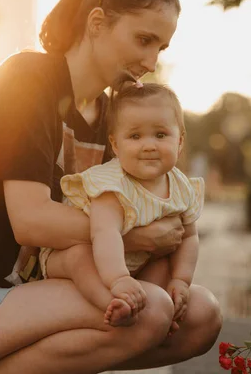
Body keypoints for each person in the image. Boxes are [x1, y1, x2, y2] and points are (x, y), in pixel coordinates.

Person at [0, 0, 222, 373]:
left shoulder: (111, 120)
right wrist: (134, 235)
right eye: (143, 40)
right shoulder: (27, 80)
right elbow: (30, 222)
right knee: (150, 310)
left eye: (161, 47)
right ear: (97, 23)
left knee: (200, 316)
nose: (151, 63)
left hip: (36, 295)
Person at [40, 81, 204, 328]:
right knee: (79, 256)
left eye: (160, 135)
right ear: (115, 145)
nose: (149, 145)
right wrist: (118, 279)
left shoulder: (182, 188)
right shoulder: (112, 185)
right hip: (81, 256)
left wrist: (181, 280)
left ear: (179, 142)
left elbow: (189, 237)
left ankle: (155, 310)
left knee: (162, 262)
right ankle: (110, 302)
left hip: (136, 261)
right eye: (135, 136)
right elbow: (104, 234)